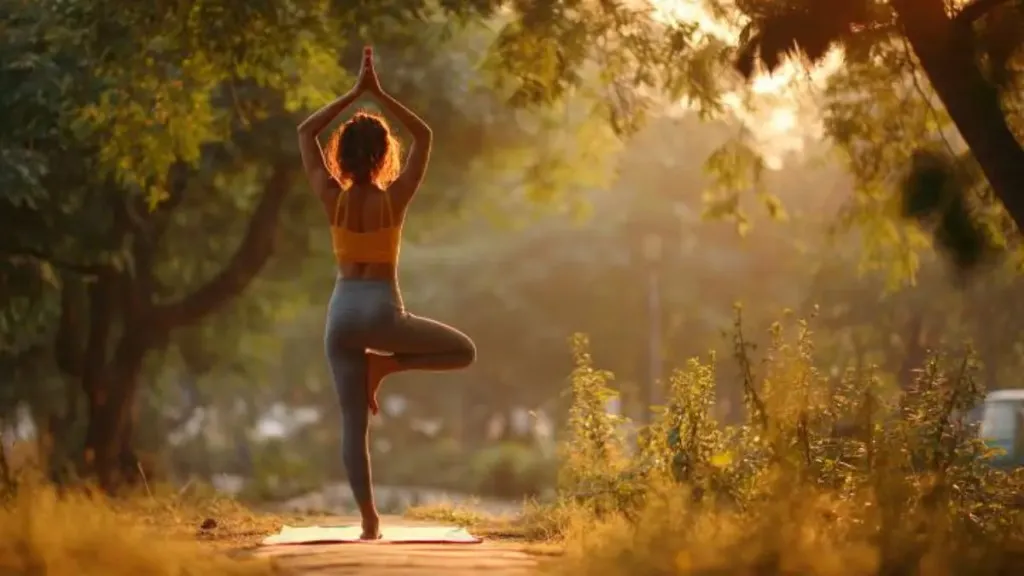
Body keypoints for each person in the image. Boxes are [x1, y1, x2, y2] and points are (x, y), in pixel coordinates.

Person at [297, 46, 477, 539]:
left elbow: (303, 132)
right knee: (463, 351)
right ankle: (387, 365)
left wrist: (353, 95)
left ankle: (369, 522)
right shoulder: (395, 199)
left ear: (342, 156)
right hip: (380, 310)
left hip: (340, 315)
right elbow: (424, 135)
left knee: (354, 425)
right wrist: (380, 95)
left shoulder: (330, 196)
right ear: (382, 156)